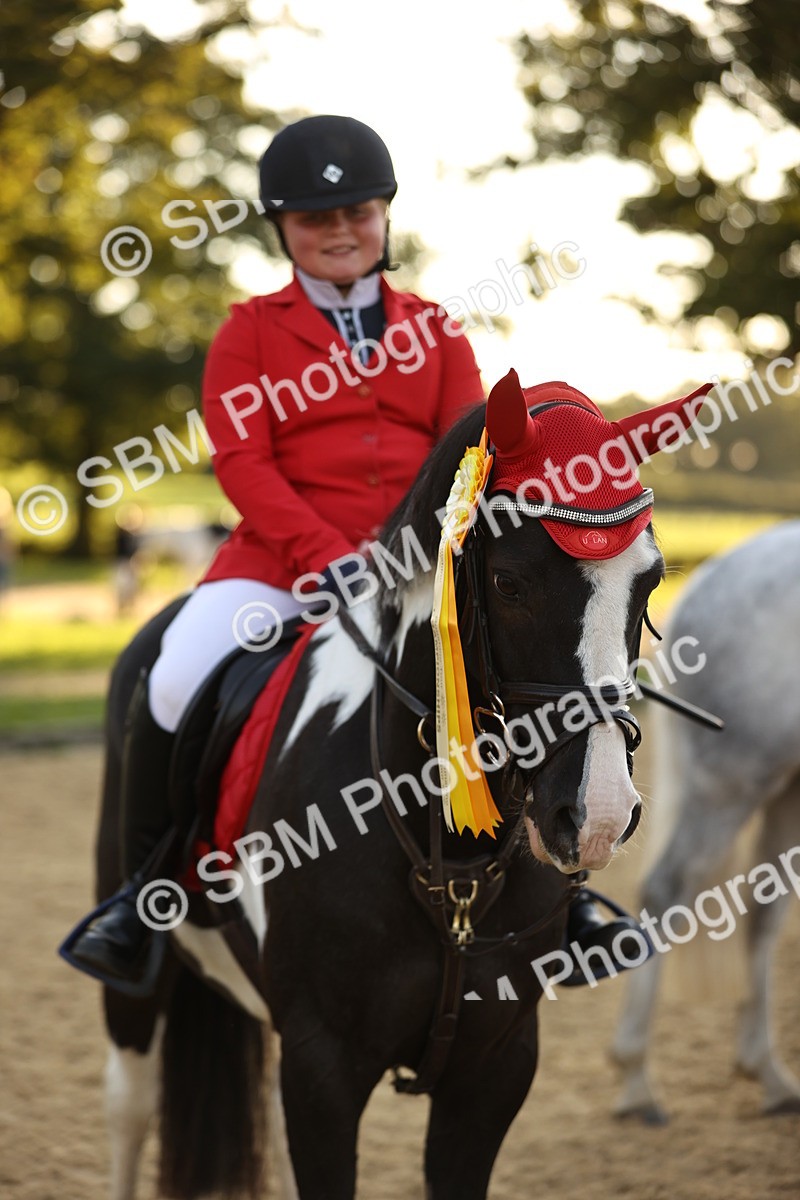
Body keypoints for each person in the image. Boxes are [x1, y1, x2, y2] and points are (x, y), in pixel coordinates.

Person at [67, 114, 639, 987]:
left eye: (358, 213)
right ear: (282, 230)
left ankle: (564, 894)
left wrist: (413, 561)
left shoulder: (437, 330)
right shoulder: (248, 334)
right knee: (177, 670)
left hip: (416, 571)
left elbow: (465, 456)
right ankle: (146, 896)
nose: (339, 231)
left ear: (384, 219)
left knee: (521, 673)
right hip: (278, 566)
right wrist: (330, 559)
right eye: (314, 218)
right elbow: (242, 463)